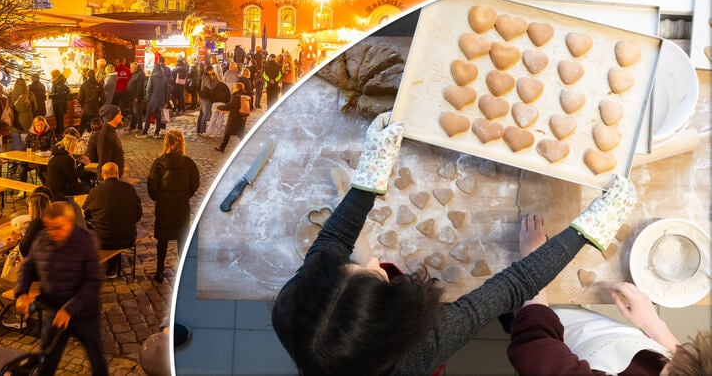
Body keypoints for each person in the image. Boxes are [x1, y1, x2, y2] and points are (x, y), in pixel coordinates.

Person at [270, 114, 636, 376]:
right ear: (397, 321)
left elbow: (333, 240)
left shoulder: (297, 307)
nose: (373, 261)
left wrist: (371, 174)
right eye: (375, 277)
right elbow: (512, 285)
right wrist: (589, 229)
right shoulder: (419, 350)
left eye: (353, 266)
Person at [508, 214, 712, 375]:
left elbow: (533, 344)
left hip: (554, 333)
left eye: (671, 367)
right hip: (595, 334)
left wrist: (535, 265)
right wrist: (656, 327)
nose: (673, 358)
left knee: (512, 310)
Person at [14, 201, 108, 376]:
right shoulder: (42, 239)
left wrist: (70, 309)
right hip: (55, 310)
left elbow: (93, 281)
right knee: (47, 360)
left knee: (97, 361)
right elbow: (28, 267)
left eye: (59, 227)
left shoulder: (85, 241)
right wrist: (21, 293)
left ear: (70, 223)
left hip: (84, 313)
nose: (54, 233)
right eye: (50, 228)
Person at [0, 189, 51, 328]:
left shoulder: (37, 223)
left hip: (39, 280)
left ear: (34, 207)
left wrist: (19, 242)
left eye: (29, 207)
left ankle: (17, 316)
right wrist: (21, 240)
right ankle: (28, 308)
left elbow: (24, 250)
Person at [147, 130, 200, 284]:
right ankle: (184, 272)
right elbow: (195, 183)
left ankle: (159, 272)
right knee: (182, 239)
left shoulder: (158, 163)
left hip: (164, 206)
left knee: (162, 240)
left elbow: (151, 185)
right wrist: (185, 195)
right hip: (181, 206)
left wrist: (158, 198)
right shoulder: (189, 163)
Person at [83, 161, 143, 278]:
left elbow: (86, 213)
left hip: (103, 240)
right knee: (115, 224)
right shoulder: (129, 189)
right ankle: (112, 267)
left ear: (102, 175)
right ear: (117, 174)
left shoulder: (95, 191)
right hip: (128, 237)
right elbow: (138, 213)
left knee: (96, 226)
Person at [47, 133, 95, 203]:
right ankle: (84, 207)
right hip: (61, 190)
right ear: (71, 146)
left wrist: (78, 162)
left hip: (51, 188)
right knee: (87, 188)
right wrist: (82, 164)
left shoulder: (53, 156)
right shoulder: (67, 158)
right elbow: (74, 177)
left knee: (83, 185)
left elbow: (65, 170)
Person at [214, 82, 250, 153]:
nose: (233, 88)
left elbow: (229, 106)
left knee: (228, 133)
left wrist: (218, 107)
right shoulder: (244, 96)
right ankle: (222, 147)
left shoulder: (236, 96)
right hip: (241, 118)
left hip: (234, 118)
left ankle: (222, 148)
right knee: (239, 134)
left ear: (237, 88)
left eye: (235, 87)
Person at [140, 57, 171, 138]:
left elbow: (149, 89)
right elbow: (167, 91)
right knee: (158, 117)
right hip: (161, 101)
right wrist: (166, 101)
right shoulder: (165, 78)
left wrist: (148, 98)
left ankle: (145, 132)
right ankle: (156, 133)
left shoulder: (152, 77)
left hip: (153, 100)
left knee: (148, 116)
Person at [22, 116, 55, 184]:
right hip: (33, 159)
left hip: (45, 159)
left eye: (42, 125)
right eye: (38, 125)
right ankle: (22, 188)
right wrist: (29, 152)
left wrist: (44, 153)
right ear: (34, 126)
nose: (40, 127)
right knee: (22, 168)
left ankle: (47, 187)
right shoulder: (30, 135)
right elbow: (26, 147)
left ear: (45, 124)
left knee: (42, 171)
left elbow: (53, 147)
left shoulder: (50, 133)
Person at [95, 104, 126, 177]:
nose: (122, 117)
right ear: (112, 116)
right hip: (110, 177)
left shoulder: (111, 131)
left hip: (114, 175)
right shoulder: (106, 135)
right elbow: (104, 159)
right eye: (119, 115)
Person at [11, 77, 36, 150]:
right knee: (25, 145)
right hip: (27, 123)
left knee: (15, 146)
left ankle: (15, 160)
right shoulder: (30, 95)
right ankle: (24, 160)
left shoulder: (12, 95)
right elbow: (35, 108)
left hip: (15, 123)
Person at [76, 68, 103, 136]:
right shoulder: (99, 85)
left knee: (82, 127)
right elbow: (104, 98)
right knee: (95, 126)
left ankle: (78, 140)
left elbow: (79, 97)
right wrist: (99, 105)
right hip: (95, 109)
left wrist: (83, 105)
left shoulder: (84, 85)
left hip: (86, 108)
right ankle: (94, 139)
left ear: (87, 76)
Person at [49, 69, 72, 137]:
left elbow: (59, 94)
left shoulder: (59, 83)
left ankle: (60, 132)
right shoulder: (59, 82)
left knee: (60, 119)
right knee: (59, 118)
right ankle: (60, 131)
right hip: (59, 103)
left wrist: (51, 95)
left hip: (59, 104)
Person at [196, 68, 218, 136]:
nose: (213, 71)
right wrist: (216, 81)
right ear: (208, 71)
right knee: (205, 115)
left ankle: (199, 129)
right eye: (212, 70)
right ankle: (202, 131)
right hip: (206, 98)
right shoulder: (207, 78)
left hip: (203, 97)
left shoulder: (204, 77)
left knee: (202, 114)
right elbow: (210, 87)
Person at [126, 61, 146, 133]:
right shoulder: (135, 73)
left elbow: (140, 86)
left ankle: (139, 127)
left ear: (135, 67)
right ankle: (132, 126)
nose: (130, 68)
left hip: (136, 96)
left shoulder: (140, 74)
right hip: (131, 95)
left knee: (137, 111)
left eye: (131, 67)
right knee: (132, 112)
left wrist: (137, 96)